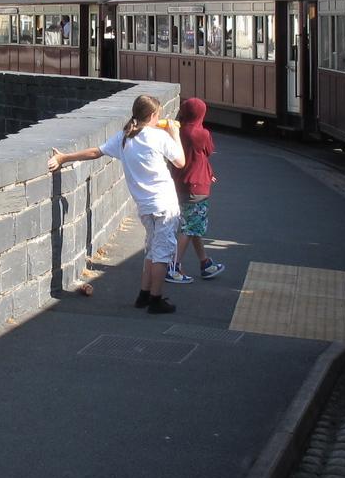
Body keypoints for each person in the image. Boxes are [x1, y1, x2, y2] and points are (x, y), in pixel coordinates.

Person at [47, 93, 184, 314]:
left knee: (151, 248)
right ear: (152, 116)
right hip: (165, 204)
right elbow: (180, 161)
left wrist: (65, 158)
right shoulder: (160, 138)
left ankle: (144, 294)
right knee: (162, 253)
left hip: (145, 206)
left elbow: (95, 152)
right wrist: (175, 134)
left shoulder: (125, 137)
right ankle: (156, 300)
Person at [167, 97, 224, 284]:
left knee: (193, 225)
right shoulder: (202, 134)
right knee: (190, 226)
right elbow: (208, 151)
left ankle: (205, 263)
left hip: (179, 184)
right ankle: (173, 266)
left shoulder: (177, 131)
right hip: (197, 187)